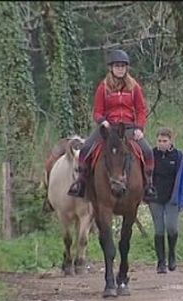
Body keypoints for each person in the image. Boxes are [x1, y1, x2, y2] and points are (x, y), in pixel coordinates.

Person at [68, 49, 157, 200]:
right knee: (86, 149)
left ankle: (148, 185)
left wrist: (140, 128)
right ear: (111, 68)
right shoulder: (103, 87)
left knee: (148, 152)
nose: (120, 69)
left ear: (126, 68)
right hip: (108, 128)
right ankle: (81, 182)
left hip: (128, 128)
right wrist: (103, 122)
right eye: (117, 66)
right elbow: (97, 111)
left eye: (123, 66)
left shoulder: (134, 87)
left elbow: (141, 110)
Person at [148, 127, 183, 274]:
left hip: (172, 198)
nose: (161, 144)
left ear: (171, 141)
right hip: (155, 198)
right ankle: (161, 262)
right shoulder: (151, 155)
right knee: (159, 229)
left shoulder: (178, 157)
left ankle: (172, 254)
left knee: (172, 227)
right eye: (159, 141)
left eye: (165, 141)